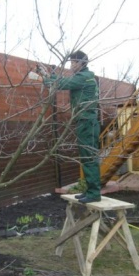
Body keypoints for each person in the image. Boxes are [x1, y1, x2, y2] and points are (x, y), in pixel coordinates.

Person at [38, 50, 101, 203]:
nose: (71, 65)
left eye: (73, 62)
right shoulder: (84, 77)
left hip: (87, 122)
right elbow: (65, 81)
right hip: (85, 121)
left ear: (81, 63)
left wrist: (45, 78)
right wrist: (48, 76)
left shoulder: (84, 77)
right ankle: (90, 190)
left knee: (89, 157)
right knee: (86, 157)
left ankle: (94, 193)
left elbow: (62, 83)